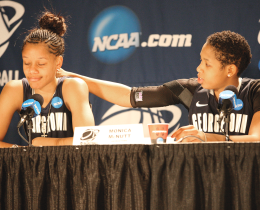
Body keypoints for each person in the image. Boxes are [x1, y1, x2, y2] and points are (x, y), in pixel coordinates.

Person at [57, 30, 260, 143]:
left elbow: (257, 139)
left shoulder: (255, 91)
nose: (199, 68)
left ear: (230, 70)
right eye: (200, 61)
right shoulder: (188, 89)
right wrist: (70, 76)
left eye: (207, 64)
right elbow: (129, 96)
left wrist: (206, 137)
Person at [0, 11, 95, 147]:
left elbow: (87, 140)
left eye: (41, 64)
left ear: (58, 63)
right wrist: (23, 154)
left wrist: (42, 144)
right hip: (33, 167)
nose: (32, 70)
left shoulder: (73, 86)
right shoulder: (14, 89)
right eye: (26, 63)